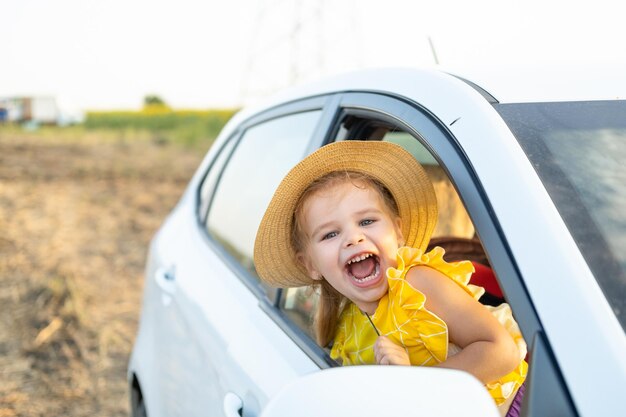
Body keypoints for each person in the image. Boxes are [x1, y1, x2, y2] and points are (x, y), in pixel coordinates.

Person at [254, 140, 527, 416]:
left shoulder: (417, 285)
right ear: (310, 264)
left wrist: (414, 384)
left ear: (397, 232)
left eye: (367, 221)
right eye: (330, 234)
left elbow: (502, 351)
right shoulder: (348, 326)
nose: (353, 237)